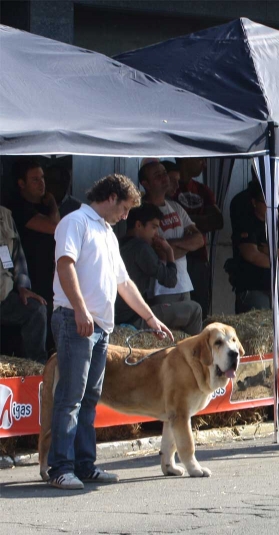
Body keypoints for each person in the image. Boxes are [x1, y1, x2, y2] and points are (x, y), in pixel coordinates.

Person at [48, 174, 173, 490]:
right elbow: (65, 265)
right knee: (72, 397)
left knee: (89, 397)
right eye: (126, 208)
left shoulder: (106, 232)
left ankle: (84, 464)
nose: (126, 216)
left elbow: (124, 283)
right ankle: (61, 467)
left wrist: (150, 317)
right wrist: (79, 308)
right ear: (112, 197)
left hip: (99, 326)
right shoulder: (75, 222)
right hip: (75, 320)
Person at [115, 203, 203, 334]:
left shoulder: (118, 243)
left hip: (118, 316)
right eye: (154, 227)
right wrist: (169, 252)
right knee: (195, 309)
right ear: (139, 225)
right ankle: (195, 353)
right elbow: (170, 280)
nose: (156, 234)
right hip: (134, 319)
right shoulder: (141, 247)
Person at [139, 161, 204, 314]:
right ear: (146, 184)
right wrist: (186, 246)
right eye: (157, 175)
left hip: (184, 283)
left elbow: (200, 239)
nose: (164, 178)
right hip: (160, 289)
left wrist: (170, 247)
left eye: (164, 173)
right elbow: (159, 253)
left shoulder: (175, 207)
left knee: (185, 335)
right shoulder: (143, 211)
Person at [232, 181, 279, 313]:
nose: (271, 207)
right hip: (254, 286)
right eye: (266, 202)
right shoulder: (247, 222)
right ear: (254, 203)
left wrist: (271, 251)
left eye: (274, 202)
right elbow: (252, 255)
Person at [8, 158, 59, 330]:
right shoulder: (18, 207)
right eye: (35, 179)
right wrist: (52, 202)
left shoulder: (44, 208)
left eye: (43, 178)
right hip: (29, 275)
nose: (41, 183)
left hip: (48, 274)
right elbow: (54, 227)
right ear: (21, 183)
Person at [174, 157, 223, 318]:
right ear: (186, 158)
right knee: (175, 310)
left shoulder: (203, 189)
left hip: (198, 258)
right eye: (200, 159)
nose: (205, 164)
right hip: (173, 258)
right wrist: (199, 221)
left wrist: (186, 220)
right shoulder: (171, 188)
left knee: (200, 309)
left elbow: (218, 220)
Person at [0, 206, 48, 363]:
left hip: (4, 296)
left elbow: (18, 256)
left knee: (36, 309)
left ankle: (36, 370)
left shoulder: (5, 216)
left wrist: (22, 287)